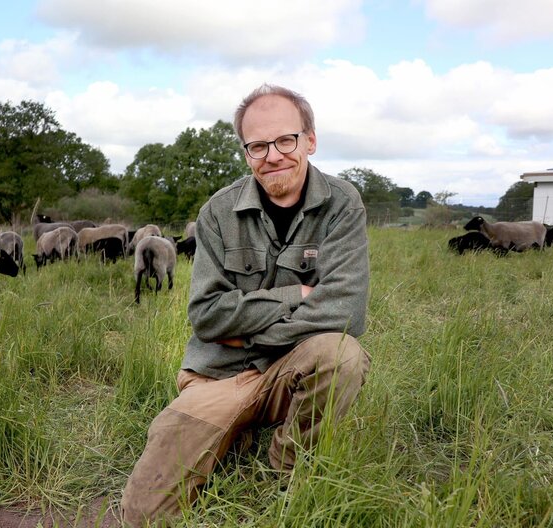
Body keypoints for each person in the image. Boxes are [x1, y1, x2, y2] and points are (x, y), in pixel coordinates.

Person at [121, 84, 371, 525]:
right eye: (257, 145)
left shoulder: (342, 203)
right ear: (245, 152)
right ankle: (234, 428)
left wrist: (247, 331)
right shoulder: (217, 213)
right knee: (144, 513)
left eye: (285, 140)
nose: (272, 155)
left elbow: (346, 309)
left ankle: (286, 471)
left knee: (341, 353)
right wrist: (295, 296)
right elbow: (206, 315)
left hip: (290, 369)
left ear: (310, 140)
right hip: (218, 375)